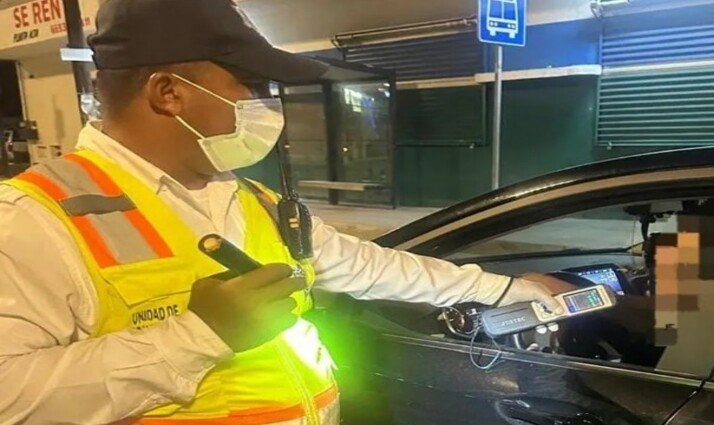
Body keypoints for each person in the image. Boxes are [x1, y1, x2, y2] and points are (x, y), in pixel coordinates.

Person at [0, 0, 572, 423]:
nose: (265, 105)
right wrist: (198, 336)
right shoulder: (34, 217)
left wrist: (505, 290)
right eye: (250, 85)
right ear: (168, 93)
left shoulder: (250, 199)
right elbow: (11, 399)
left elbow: (367, 266)